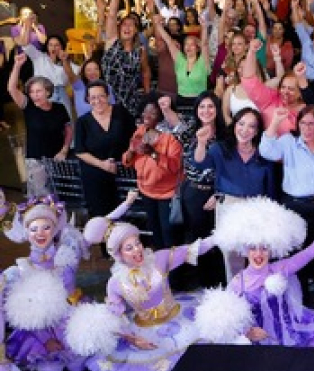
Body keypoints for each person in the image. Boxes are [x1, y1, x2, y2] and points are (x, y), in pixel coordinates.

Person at [74, 197, 217, 371]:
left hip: (179, 318)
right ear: (119, 255)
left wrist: (219, 237)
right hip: (146, 331)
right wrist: (132, 338)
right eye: (129, 248)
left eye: (138, 243)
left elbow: (193, 249)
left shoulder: (159, 259)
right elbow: (115, 316)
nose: (137, 250)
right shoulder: (115, 283)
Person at [216, 197, 314, 348]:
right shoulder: (238, 282)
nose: (258, 254)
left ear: (272, 249)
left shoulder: (281, 268)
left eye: (264, 248)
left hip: (292, 331)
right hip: (261, 340)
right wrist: (246, 331)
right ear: (245, 250)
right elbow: (227, 321)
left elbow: (310, 252)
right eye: (253, 248)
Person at [260, 105, 314, 318]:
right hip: (295, 206)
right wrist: (275, 123)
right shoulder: (289, 142)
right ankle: (302, 300)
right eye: (303, 123)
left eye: (311, 124)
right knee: (297, 254)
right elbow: (266, 151)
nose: (306, 128)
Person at [1, 196, 90, 371]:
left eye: (46, 227)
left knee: (78, 366)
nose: (40, 234)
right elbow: (27, 313)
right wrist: (46, 339)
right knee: (50, 370)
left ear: (54, 228)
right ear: (26, 232)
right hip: (38, 331)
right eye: (34, 229)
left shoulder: (66, 259)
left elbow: (71, 300)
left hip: (68, 322)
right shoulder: (22, 269)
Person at [191, 107, 276, 280]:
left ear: (257, 130)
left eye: (251, 126)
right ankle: (236, 297)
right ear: (234, 124)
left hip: (257, 208)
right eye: (241, 124)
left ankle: (256, 296)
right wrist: (201, 143)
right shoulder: (220, 149)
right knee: (231, 258)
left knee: (258, 256)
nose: (245, 130)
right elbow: (200, 163)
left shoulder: (264, 154)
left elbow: (271, 188)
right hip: (228, 207)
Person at [178, 92, 228, 288]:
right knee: (197, 239)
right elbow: (196, 162)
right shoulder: (189, 131)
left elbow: (227, 168)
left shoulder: (225, 135)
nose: (206, 111)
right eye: (202, 107)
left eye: (210, 107)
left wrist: (218, 193)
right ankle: (203, 282)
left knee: (218, 239)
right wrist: (201, 141)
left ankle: (221, 281)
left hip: (218, 193)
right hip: (193, 192)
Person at [6, 52, 72, 197]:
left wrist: (65, 149)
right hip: (36, 161)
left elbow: (68, 129)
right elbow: (11, 89)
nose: (35, 94)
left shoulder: (59, 107)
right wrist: (17, 66)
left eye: (38, 91)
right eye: (32, 92)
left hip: (58, 159)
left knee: (62, 196)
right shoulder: (28, 106)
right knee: (43, 198)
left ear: (47, 92)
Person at [122, 98, 183, 250]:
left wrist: (152, 153)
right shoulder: (141, 131)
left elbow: (174, 167)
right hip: (146, 190)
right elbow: (127, 161)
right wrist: (130, 151)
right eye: (145, 111)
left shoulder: (171, 138)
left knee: (168, 233)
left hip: (166, 194)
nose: (147, 116)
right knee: (155, 231)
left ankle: (173, 270)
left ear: (162, 116)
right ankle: (160, 266)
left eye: (153, 113)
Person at [73, 81, 136, 217]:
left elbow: (136, 135)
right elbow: (80, 151)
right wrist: (102, 165)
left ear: (108, 96)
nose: (98, 101)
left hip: (123, 168)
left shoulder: (120, 112)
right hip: (95, 170)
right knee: (100, 212)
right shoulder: (82, 122)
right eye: (93, 98)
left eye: (101, 96)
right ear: (88, 100)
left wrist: (130, 151)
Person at [99, 0, 151, 118]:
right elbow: (111, 15)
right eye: (124, 24)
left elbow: (146, 72)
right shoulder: (112, 42)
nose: (127, 27)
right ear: (119, 28)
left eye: (131, 25)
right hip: (109, 100)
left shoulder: (140, 51)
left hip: (131, 102)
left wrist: (147, 96)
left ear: (136, 30)